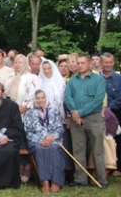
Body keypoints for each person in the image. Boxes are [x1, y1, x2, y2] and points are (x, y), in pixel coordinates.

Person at [64, 54, 107, 188]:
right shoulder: (72, 80)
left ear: (90, 64)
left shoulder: (99, 80)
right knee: (78, 150)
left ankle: (101, 180)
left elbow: (97, 100)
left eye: (83, 63)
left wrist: (80, 113)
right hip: (76, 119)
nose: (80, 65)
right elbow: (68, 97)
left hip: (93, 118)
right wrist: (74, 113)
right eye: (78, 63)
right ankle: (80, 179)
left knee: (97, 150)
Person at [24, 90, 65, 192]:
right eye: (38, 98)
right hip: (37, 142)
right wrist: (42, 140)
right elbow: (28, 131)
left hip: (53, 141)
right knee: (40, 149)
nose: (40, 100)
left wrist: (52, 138)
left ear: (46, 98)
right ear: (35, 100)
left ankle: (56, 181)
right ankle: (45, 181)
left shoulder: (54, 111)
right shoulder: (29, 113)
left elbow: (60, 128)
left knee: (54, 149)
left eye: (42, 98)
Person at [101, 52, 121, 173]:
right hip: (100, 114)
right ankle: (106, 166)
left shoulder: (119, 78)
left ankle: (118, 167)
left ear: (114, 63)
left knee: (118, 140)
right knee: (104, 140)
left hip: (117, 112)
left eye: (110, 62)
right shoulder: (96, 78)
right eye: (106, 62)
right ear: (101, 63)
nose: (108, 65)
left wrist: (109, 108)